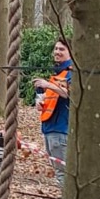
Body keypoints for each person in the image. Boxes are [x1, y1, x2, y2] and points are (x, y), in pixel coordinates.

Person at [34, 37, 72, 189]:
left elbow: (69, 94)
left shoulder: (71, 73)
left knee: (63, 173)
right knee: (59, 172)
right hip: (50, 129)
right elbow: (52, 98)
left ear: (70, 53)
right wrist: (40, 101)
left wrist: (48, 85)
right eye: (56, 49)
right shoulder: (58, 74)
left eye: (62, 49)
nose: (57, 52)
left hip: (60, 130)